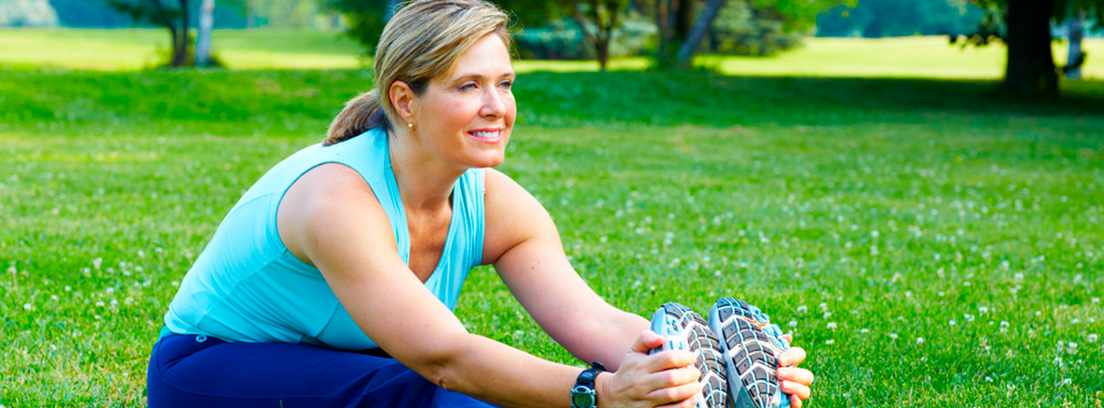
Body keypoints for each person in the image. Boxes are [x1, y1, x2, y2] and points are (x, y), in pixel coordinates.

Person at [145, 1, 814, 407]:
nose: (497, 108)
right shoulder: (336, 197)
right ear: (406, 101)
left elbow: (592, 323)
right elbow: (444, 359)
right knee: (436, 394)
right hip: (208, 373)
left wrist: (683, 368)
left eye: (504, 83)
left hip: (356, 375)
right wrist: (601, 395)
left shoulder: (499, 206)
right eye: (468, 86)